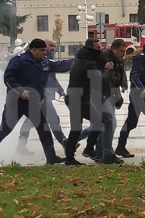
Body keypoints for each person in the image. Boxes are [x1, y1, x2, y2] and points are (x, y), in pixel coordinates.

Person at [0, 38, 63, 167]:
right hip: (15, 103)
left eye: (45, 50)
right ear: (33, 50)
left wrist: (77, 61)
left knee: (44, 129)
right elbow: (8, 78)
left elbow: (60, 66)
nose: (44, 53)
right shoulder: (18, 61)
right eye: (42, 50)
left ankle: (51, 157)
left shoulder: (44, 62)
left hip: (32, 103)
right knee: (4, 130)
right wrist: (20, 90)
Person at [18, 39, 71, 153]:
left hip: (44, 96)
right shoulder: (35, 60)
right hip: (37, 97)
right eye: (51, 46)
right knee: (52, 119)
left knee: (31, 122)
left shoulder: (46, 59)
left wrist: (61, 91)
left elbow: (52, 78)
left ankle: (21, 145)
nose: (53, 48)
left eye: (54, 46)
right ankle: (64, 142)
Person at [64, 38, 110, 166]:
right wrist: (107, 69)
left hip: (77, 98)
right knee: (96, 123)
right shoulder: (88, 63)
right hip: (77, 100)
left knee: (78, 128)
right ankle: (87, 150)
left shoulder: (82, 57)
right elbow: (101, 80)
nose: (100, 51)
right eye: (98, 48)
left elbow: (98, 60)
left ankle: (71, 156)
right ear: (90, 49)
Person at [84, 38, 128, 164]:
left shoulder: (119, 59)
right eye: (121, 51)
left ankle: (99, 152)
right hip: (99, 94)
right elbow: (99, 78)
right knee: (110, 123)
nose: (123, 54)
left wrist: (123, 86)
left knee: (103, 125)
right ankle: (107, 154)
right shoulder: (103, 59)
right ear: (113, 49)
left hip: (110, 93)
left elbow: (121, 74)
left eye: (125, 51)